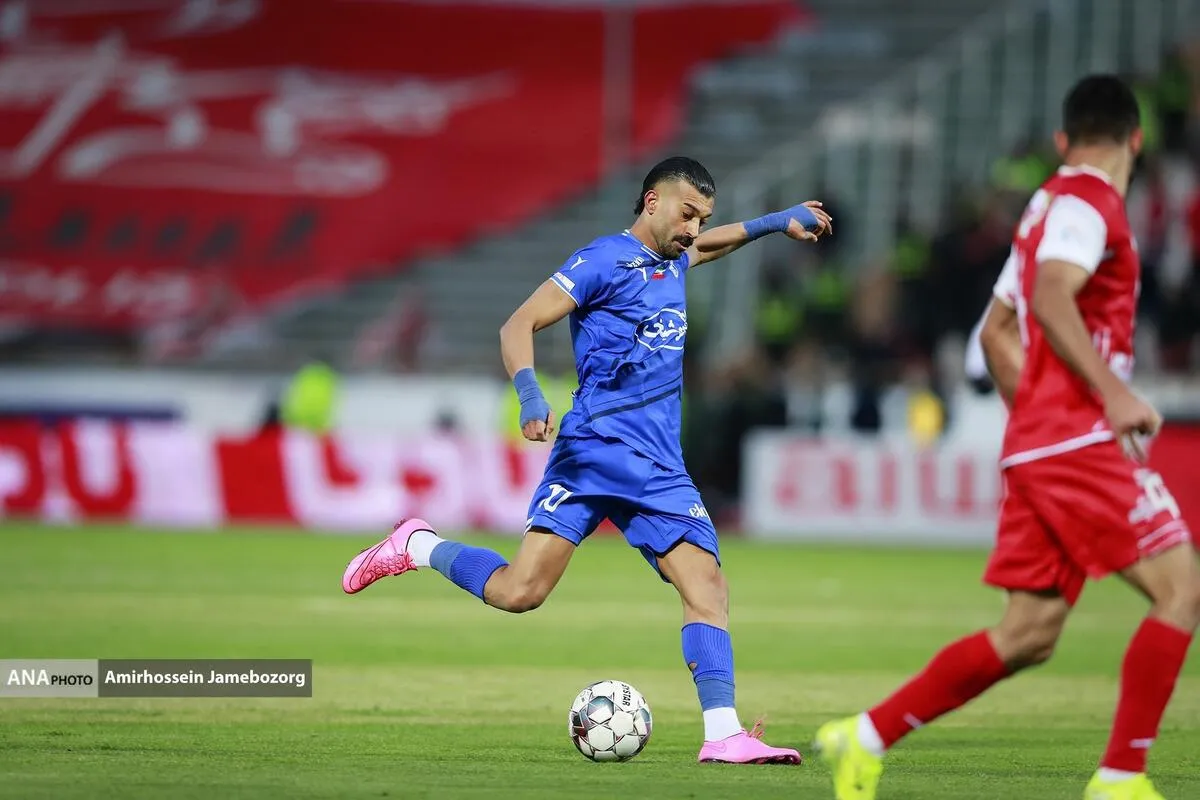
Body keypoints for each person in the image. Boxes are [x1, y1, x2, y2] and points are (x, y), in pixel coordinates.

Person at [341, 156, 832, 764]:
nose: (693, 230)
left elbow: (714, 243)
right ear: (652, 201)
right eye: (687, 215)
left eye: (701, 219)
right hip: (594, 452)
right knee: (520, 592)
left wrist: (776, 221)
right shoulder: (602, 260)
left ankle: (723, 733)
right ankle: (417, 545)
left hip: (659, 466)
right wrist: (529, 396)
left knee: (707, 586)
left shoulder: (676, 257)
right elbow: (518, 324)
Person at [815, 74, 1198, 800]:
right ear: (1136, 139)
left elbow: (994, 332)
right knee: (1182, 589)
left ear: (1062, 138)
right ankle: (1121, 778)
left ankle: (863, 737)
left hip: (1041, 442)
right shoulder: (1088, 204)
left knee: (1029, 634)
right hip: (1076, 441)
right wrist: (1108, 396)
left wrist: (1039, 419)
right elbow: (1051, 297)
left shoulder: (1042, 210)